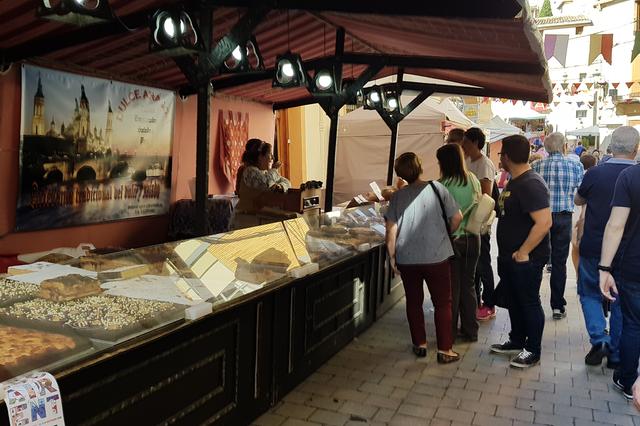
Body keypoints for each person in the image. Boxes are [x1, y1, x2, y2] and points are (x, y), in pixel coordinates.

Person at [385, 152, 463, 363]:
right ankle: (445, 349)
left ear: (400, 175)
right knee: (442, 303)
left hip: (407, 257)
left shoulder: (397, 196)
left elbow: (391, 228)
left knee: (414, 301)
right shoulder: (438, 188)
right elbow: (457, 217)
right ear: (420, 167)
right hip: (436, 255)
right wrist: (445, 234)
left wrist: (392, 256)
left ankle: (420, 344)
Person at [575, 127, 638, 369]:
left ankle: (600, 339)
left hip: (593, 245)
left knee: (589, 293)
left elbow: (578, 200)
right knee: (622, 302)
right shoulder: (635, 175)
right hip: (626, 251)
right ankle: (617, 352)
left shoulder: (595, 173)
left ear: (611, 146)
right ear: (636, 148)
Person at [490, 134, 552, 368]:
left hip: (526, 259)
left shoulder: (530, 183)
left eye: (500, 154)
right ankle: (516, 340)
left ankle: (532, 349)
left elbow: (544, 222)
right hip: (510, 256)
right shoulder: (515, 181)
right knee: (515, 301)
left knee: (528, 302)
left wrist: (524, 251)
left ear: (505, 157)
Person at [598, 134, 640, 401]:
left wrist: (604, 267)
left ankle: (627, 379)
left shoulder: (630, 177)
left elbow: (616, 225)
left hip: (633, 265)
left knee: (633, 324)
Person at [531, 132, 583, 319]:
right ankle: (557, 305)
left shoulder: (536, 165)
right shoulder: (575, 165)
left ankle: (532, 299)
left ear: (545, 148)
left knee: (537, 259)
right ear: (564, 147)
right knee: (559, 262)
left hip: (540, 218)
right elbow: (581, 194)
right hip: (564, 217)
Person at [437, 143, 481, 342]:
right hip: (473, 238)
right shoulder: (472, 179)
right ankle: (471, 330)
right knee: (469, 285)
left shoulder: (442, 185)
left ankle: (449, 333)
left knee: (451, 289)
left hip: (452, 240)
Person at [461, 127, 497, 321]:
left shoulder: (485, 164)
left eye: (465, 141)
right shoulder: (466, 161)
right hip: (466, 222)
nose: (463, 145)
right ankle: (475, 302)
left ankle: (490, 304)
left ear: (475, 143)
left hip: (479, 222)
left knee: (483, 263)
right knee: (472, 265)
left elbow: (486, 194)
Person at [570, 154, 597, 275]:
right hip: (586, 216)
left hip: (573, 214)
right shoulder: (594, 177)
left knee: (575, 248)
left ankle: (577, 275)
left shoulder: (577, 175)